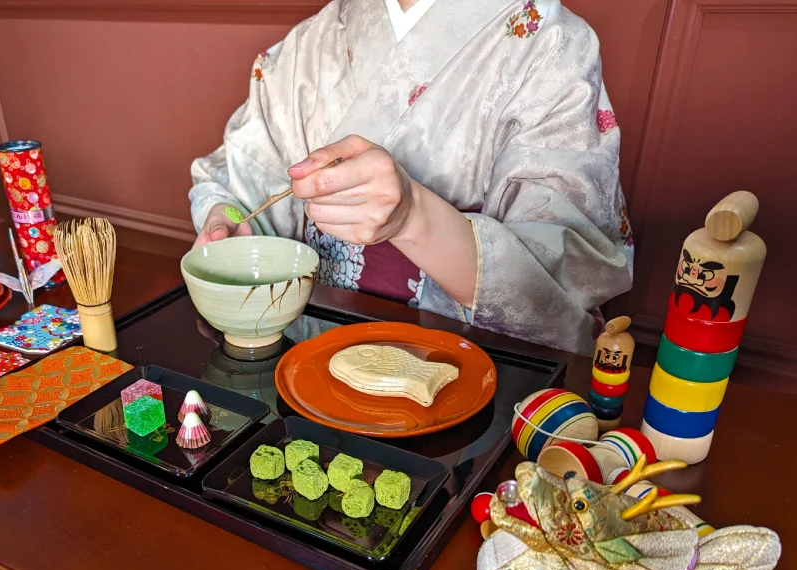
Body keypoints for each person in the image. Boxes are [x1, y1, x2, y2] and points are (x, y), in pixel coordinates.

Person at [188, 0, 634, 355]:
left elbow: (566, 278)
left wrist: (413, 216)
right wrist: (226, 221)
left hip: (462, 366)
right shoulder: (310, 44)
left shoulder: (549, 44)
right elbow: (236, 184)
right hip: (308, 354)